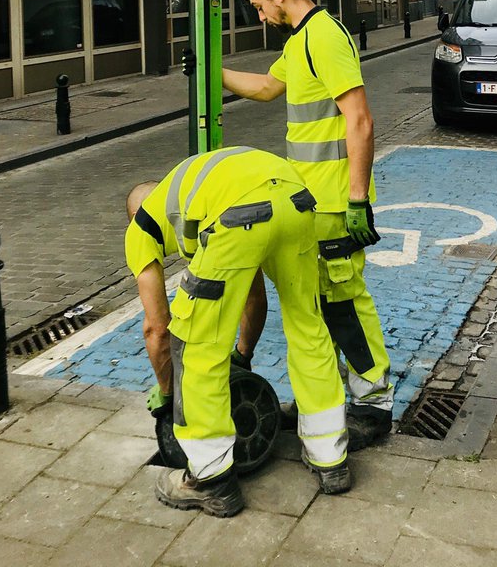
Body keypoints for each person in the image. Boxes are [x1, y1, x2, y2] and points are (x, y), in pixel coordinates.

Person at [221, 0, 394, 449]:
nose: (259, 17)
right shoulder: (300, 41)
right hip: (313, 206)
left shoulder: (322, 36)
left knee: (343, 303)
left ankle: (372, 405)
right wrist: (214, 73)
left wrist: (358, 200)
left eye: (258, 6)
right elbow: (269, 87)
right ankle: (330, 395)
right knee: (319, 305)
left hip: (338, 203)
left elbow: (359, 120)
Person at [125, 145, 349, 519]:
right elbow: (253, 297)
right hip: (296, 198)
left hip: (241, 215)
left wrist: (168, 392)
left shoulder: (140, 229)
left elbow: (157, 329)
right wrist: (243, 356)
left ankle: (210, 481)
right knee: (308, 323)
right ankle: (331, 459)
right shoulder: (197, 191)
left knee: (196, 344)